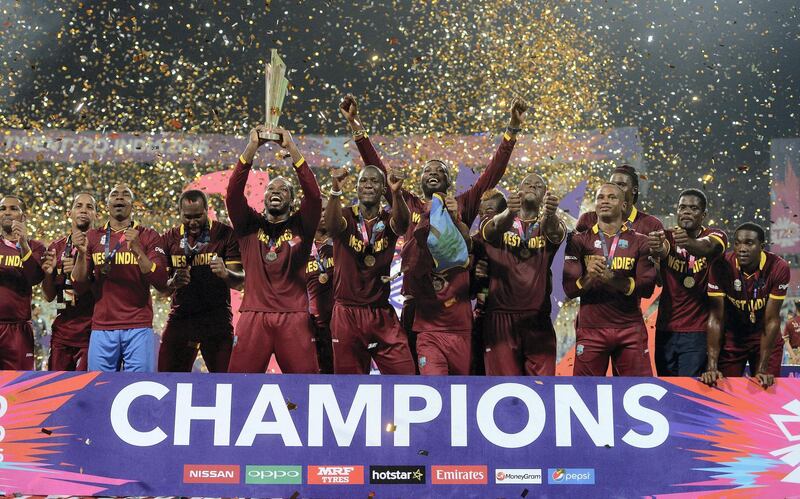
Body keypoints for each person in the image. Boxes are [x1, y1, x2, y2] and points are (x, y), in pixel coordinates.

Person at [341, 94, 527, 375]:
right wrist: (356, 125)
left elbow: (493, 172)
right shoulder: (410, 204)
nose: (433, 172)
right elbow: (379, 169)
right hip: (418, 306)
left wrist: (512, 129)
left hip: (455, 307)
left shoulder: (463, 204)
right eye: (427, 170)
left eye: (440, 170)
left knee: (458, 383)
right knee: (418, 377)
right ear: (420, 180)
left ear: (448, 181)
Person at [225, 125, 321, 374]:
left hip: (294, 316)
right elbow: (233, 194)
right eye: (271, 189)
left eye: (283, 190)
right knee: (239, 384)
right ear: (264, 198)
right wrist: (251, 147)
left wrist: (291, 148)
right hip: (254, 315)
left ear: (291, 200)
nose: (275, 192)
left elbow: (314, 196)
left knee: (305, 386)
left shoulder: (302, 225)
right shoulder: (248, 225)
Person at [324, 163, 415, 375]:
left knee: (405, 374)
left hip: (380, 312)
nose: (368, 185)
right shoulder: (346, 215)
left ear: (383, 189)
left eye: (374, 181)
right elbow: (331, 226)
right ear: (356, 188)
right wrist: (336, 189)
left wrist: (397, 192)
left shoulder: (388, 218)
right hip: (347, 313)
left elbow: (402, 224)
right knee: (349, 385)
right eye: (363, 181)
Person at [72, 184, 168, 372]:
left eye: (125, 195)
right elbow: (79, 286)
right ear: (107, 205)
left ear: (132, 205)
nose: (119, 198)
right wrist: (82, 255)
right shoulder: (92, 236)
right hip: (102, 326)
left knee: (139, 386)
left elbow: (161, 280)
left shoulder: (148, 236)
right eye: (114, 194)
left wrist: (138, 249)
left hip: (138, 325)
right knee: (98, 387)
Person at [563, 183, 657, 376]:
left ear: (624, 206)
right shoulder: (579, 241)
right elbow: (570, 290)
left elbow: (647, 289)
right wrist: (590, 276)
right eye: (600, 197)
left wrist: (611, 279)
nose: (605, 201)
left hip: (630, 330)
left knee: (637, 391)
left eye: (612, 197)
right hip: (591, 330)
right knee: (584, 394)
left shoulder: (641, 241)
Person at [478, 174, 566, 375]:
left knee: (542, 389)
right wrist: (511, 211)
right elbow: (494, 229)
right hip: (501, 318)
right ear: (518, 190)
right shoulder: (496, 220)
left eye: (538, 185)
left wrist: (550, 215)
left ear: (544, 195)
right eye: (528, 184)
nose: (533, 186)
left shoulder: (550, 223)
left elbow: (556, 233)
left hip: (538, 319)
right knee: (504, 389)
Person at [159, 190, 244, 372]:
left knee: (225, 383)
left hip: (216, 319)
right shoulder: (169, 239)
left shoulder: (225, 234)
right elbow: (162, 291)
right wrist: (173, 283)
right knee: (167, 379)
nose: (193, 222)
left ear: (207, 210)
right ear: (180, 213)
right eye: (187, 217)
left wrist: (225, 273)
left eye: (198, 216)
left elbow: (240, 281)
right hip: (182, 318)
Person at [647, 189, 727, 376]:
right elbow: (662, 251)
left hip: (697, 331)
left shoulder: (717, 235)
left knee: (689, 390)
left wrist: (689, 243)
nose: (687, 212)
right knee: (667, 388)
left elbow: (708, 247)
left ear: (703, 215)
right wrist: (657, 250)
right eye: (682, 207)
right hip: (665, 329)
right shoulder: (666, 237)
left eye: (693, 208)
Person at [702, 223, 791, 388]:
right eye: (737, 243)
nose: (741, 248)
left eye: (749, 243)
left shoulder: (779, 267)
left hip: (765, 338)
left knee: (766, 390)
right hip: (733, 340)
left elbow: (771, 320)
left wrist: (763, 368)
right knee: (722, 388)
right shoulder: (720, 265)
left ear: (761, 247)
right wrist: (712, 366)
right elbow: (716, 318)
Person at [41, 193, 97, 371]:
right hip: (63, 332)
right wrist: (49, 275)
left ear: (96, 214)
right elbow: (49, 296)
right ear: (69, 213)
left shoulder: (101, 246)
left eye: (89, 207)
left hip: (92, 331)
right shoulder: (56, 247)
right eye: (79, 205)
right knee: (57, 391)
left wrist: (79, 269)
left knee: (86, 391)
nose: (84, 210)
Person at [0, 195, 46, 370]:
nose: (7, 213)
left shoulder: (36, 247)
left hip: (18, 329)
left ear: (23, 216)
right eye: (3, 209)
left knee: (19, 388)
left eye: (13, 208)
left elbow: (34, 277)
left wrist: (23, 244)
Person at [575, 165, 663, 235]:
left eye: (621, 185)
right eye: (612, 184)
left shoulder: (651, 225)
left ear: (634, 190)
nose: (615, 189)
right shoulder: (588, 220)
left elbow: (663, 255)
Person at [306, 198, 335, 374]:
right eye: (320, 210)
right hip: (313, 325)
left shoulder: (343, 242)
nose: (324, 214)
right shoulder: (300, 247)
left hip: (341, 321)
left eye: (327, 210)